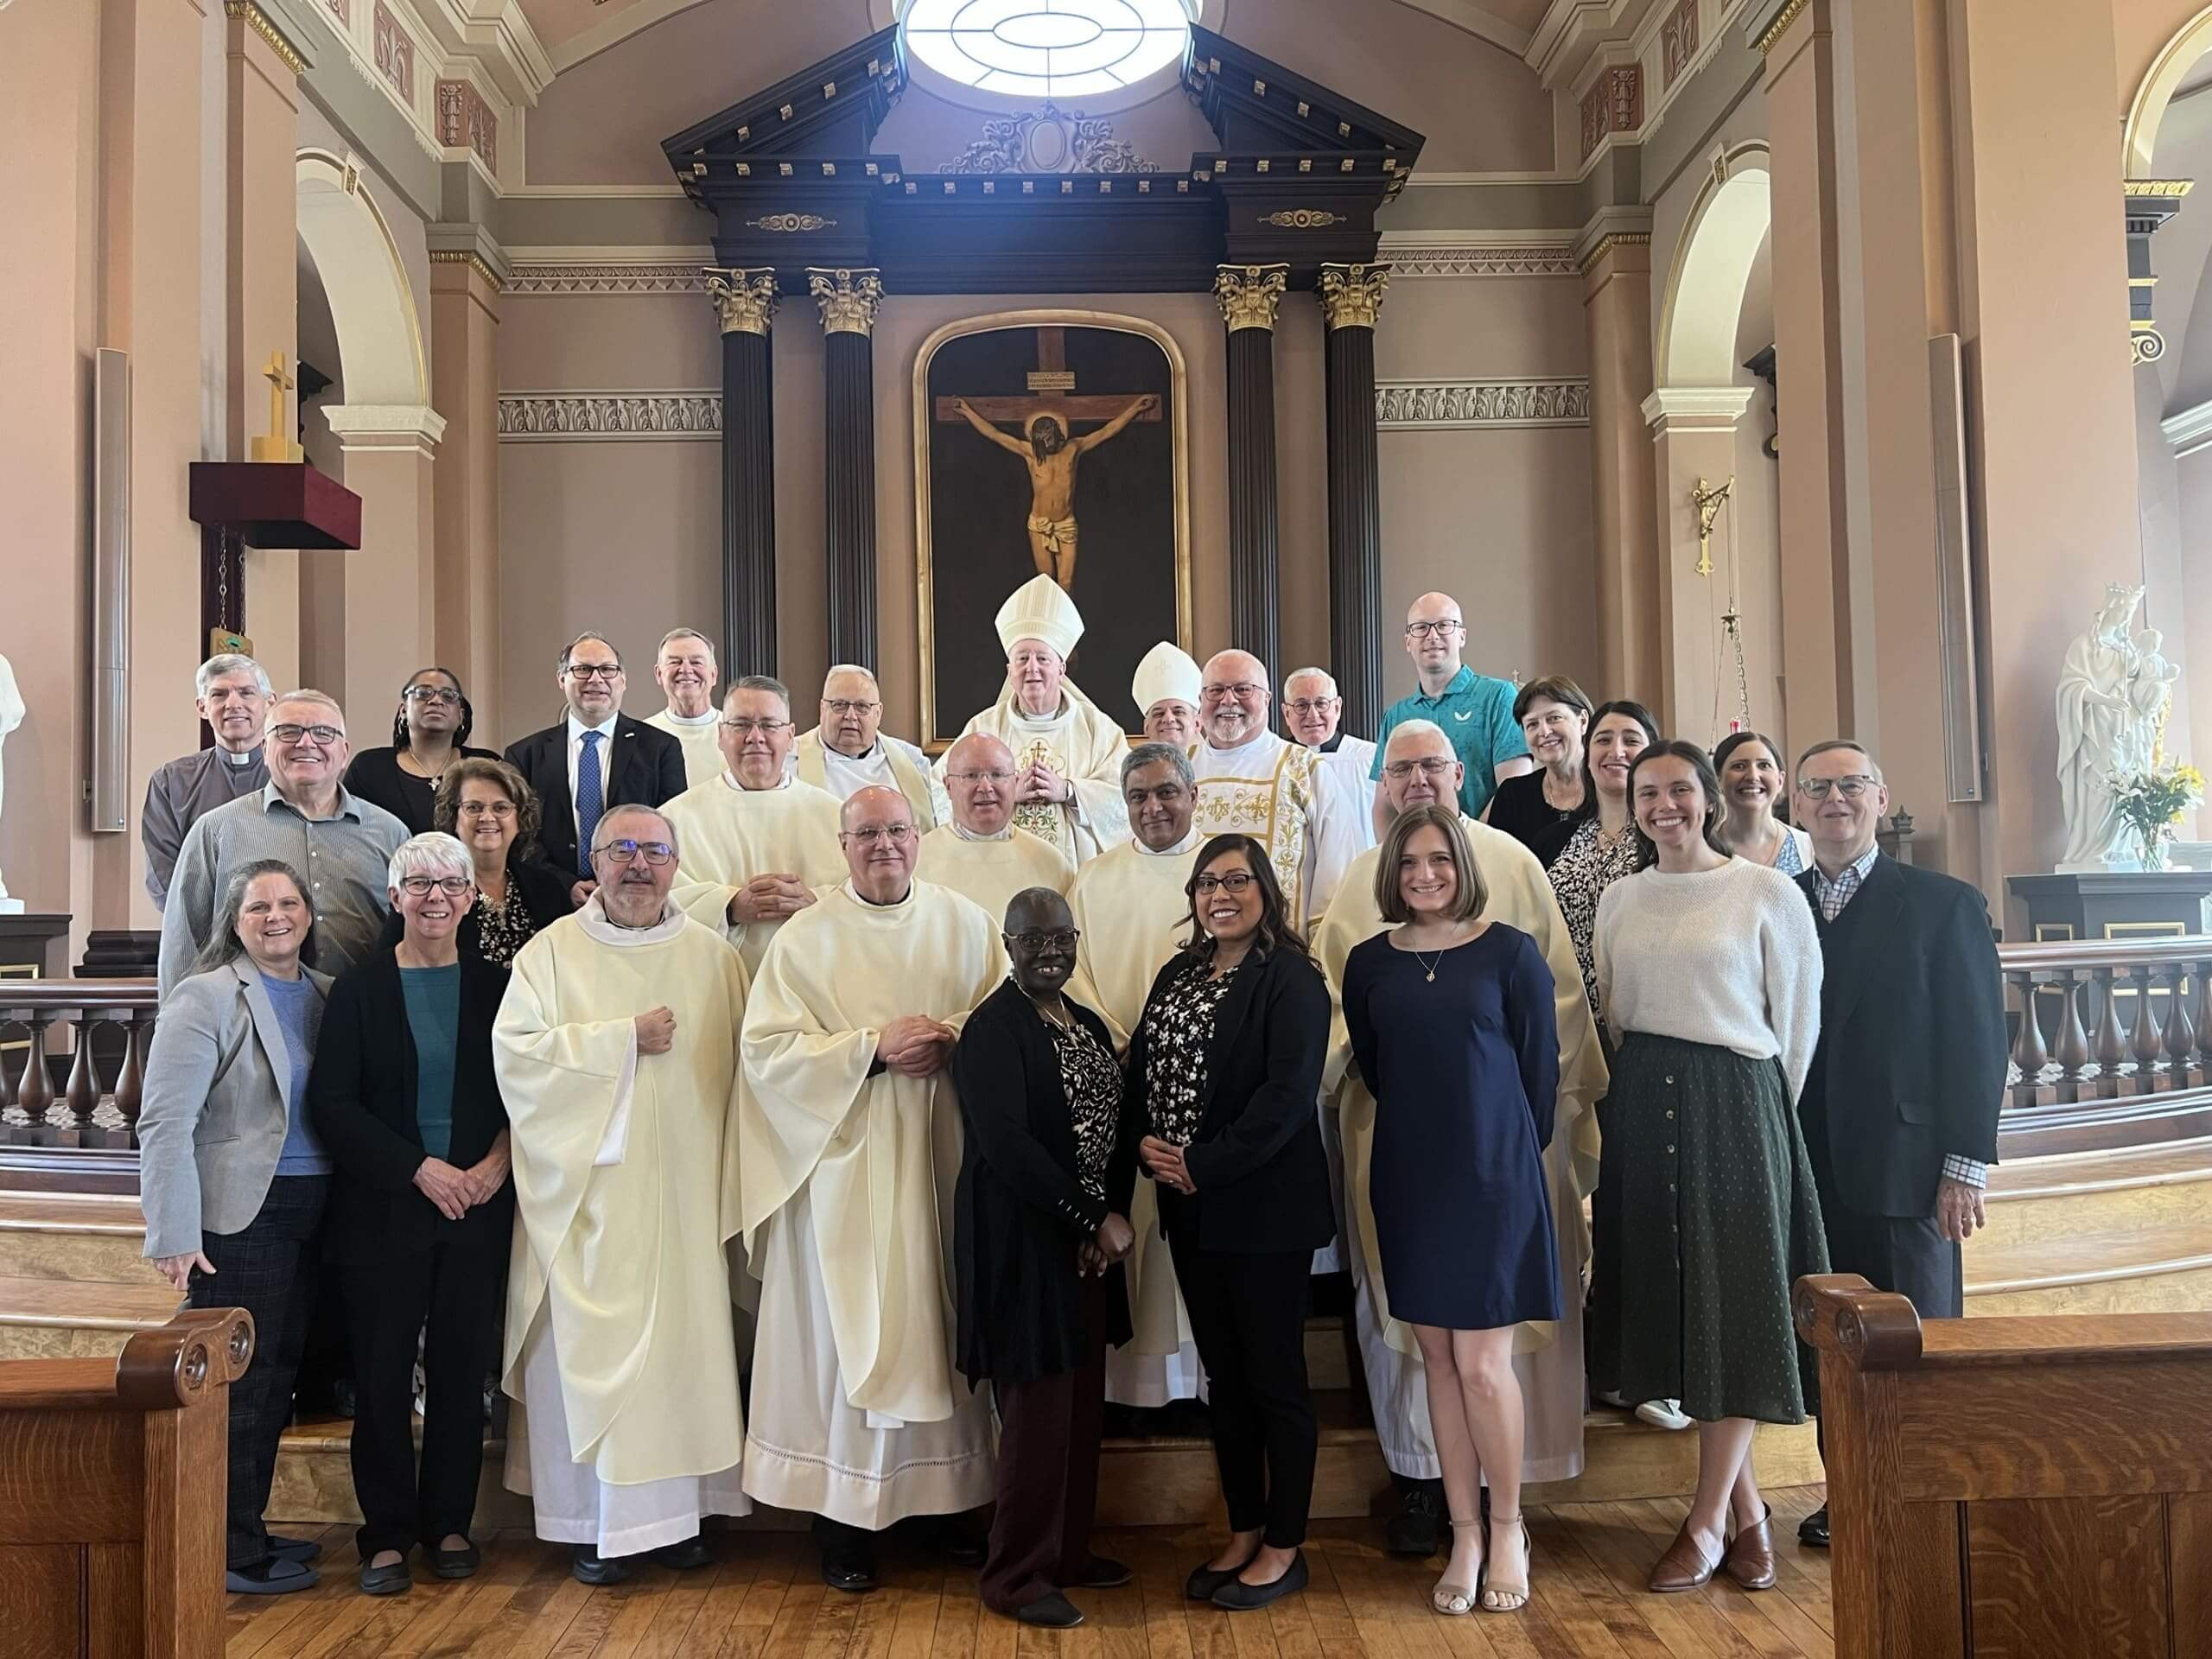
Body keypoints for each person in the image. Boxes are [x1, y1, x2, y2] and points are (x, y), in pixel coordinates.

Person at [1314, 721, 1603, 1555]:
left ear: (1458, 770)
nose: (1417, 781)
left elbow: (1555, 1008)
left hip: (1503, 1152)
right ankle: (1425, 1486)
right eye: (1399, 768)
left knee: (1488, 1351)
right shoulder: (1361, 885)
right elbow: (1348, 1019)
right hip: (1405, 1147)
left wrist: (1524, 1130)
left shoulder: (1512, 863)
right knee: (1425, 1345)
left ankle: (1514, 1504)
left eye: (1431, 765)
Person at [738, 787, 1008, 1592]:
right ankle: (843, 1520)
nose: (883, 844)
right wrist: (872, 1049)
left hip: (944, 1158)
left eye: (896, 830)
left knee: (943, 1313)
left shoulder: (966, 922)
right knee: (839, 1336)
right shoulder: (804, 938)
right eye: (866, 834)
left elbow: (1008, 1017)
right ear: (842, 845)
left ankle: (949, 1502)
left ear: (918, 840)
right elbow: (768, 1052)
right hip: (841, 1171)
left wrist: (953, 1036)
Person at [493, 804, 751, 1585]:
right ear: (593, 863)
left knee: (684, 1356)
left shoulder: (716, 957)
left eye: (655, 850)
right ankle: (593, 1524)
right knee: (591, 1356)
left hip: (687, 1198)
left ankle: (678, 1520)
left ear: (679, 862)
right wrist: (619, 1042)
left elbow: (749, 1078)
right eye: (621, 850)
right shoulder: (549, 954)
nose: (638, 865)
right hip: (587, 1204)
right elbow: (518, 1059)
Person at [1594, 741, 1826, 1593]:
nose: (1664, 806)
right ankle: (1749, 1511)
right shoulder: (1618, 898)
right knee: (1682, 1306)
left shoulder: (1763, 891)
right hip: (1644, 1094)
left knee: (1730, 1305)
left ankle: (1700, 1524)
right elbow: (1617, 1008)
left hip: (1737, 1104)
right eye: (1648, 793)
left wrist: (1756, 1118)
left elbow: (1794, 1025)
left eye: (1679, 790)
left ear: (1707, 797)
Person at [1341, 805, 1560, 1616]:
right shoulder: (1368, 963)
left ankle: (1509, 1526)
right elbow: (1374, 1063)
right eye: (1408, 864)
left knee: (1481, 1364)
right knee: (1434, 1360)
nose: (1424, 875)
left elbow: (1540, 1075)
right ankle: (1463, 1531)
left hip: (1495, 1180)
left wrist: (1501, 1156)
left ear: (1462, 864)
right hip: (1411, 1178)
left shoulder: (1510, 953)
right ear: (1391, 875)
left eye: (1438, 859)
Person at [1789, 740, 2006, 1550]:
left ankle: (1925, 1496)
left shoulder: (1943, 903)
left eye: (1852, 785)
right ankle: (1844, 1489)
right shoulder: (1782, 902)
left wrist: (1964, 1166)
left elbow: (1978, 1041)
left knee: (1918, 1338)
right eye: (1819, 788)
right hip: (1808, 1163)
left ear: (1881, 798)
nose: (1835, 799)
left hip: (1909, 1168)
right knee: (1832, 1342)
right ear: (1798, 807)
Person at [1126, 835, 1332, 1611]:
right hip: (1192, 1211)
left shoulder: (1292, 979)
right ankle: (1244, 1528)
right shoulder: (1180, 970)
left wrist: (1200, 1163)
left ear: (1265, 889)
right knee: (1226, 1381)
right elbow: (1147, 1062)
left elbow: (1285, 1101)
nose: (1221, 894)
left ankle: (1286, 1545)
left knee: (1276, 1381)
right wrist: (1149, 1139)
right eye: (1207, 882)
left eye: (1237, 880)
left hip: (1264, 1210)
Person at [311, 832, 513, 1596]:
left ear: (471, 898)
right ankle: (387, 1534)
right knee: (384, 1376)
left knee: (463, 1374)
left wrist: (496, 1164)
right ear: (394, 899)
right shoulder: (358, 990)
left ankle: (450, 1523)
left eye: (450, 883)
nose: (435, 896)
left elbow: (525, 1089)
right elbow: (332, 1103)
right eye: (418, 883)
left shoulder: (501, 987)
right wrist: (419, 1170)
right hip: (386, 1210)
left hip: (479, 1205)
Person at [137, 859, 332, 1595]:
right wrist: (175, 1232)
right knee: (236, 1386)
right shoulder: (206, 997)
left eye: (288, 903)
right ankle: (222, 1546)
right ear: (235, 920)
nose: (275, 916)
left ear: (308, 916)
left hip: (316, 1206)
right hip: (237, 1216)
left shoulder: (323, 994)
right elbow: (164, 1123)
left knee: (278, 1381)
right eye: (259, 907)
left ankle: (243, 1523)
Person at [951, 888, 1138, 1630]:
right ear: (1008, 943)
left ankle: (1065, 1552)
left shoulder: (1086, 1023)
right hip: (1023, 1243)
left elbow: (1116, 1129)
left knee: (1079, 1403)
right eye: (1034, 940)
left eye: (1062, 938)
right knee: (1034, 1412)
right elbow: (1007, 1149)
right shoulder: (991, 1031)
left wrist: (1101, 1226)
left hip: (1086, 1246)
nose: (1050, 951)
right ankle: (1016, 1575)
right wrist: (1091, 1216)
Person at [1543, 699, 1678, 1431]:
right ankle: (1611, 1360)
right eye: (1603, 739)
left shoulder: (1666, 840)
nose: (1614, 750)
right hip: (1579, 1036)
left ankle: (1664, 1367)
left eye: (1632, 738)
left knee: (1655, 1203)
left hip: (1643, 1041)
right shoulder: (1576, 839)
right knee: (1609, 1202)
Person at [1065, 746, 1207, 1414]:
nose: (1153, 808)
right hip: (1120, 1077)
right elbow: (1075, 973)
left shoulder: (1224, 874)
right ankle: (1136, 1390)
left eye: (1167, 793)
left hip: (1205, 1093)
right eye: (1138, 797)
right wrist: (1119, 1041)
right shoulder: (1093, 880)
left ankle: (1199, 1385)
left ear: (1193, 794)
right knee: (1134, 1225)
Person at [158, 691, 409, 995]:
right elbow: (183, 943)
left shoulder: (390, 833)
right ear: (264, 748)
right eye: (288, 732)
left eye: (323, 732)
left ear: (344, 752)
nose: (306, 743)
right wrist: (179, 1022)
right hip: (250, 1023)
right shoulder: (216, 831)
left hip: (364, 1018)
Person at [937, 575, 1130, 867]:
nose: (1032, 669)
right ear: (1009, 669)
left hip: (1075, 871)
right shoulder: (983, 730)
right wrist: (1005, 792)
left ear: (1061, 668)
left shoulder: (1097, 729)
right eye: (1022, 659)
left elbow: (1125, 793)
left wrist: (1068, 790)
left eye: (1043, 658)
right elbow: (942, 791)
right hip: (997, 867)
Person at [663, 676, 848, 975]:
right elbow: (659, 900)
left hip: (809, 979)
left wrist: (814, 901)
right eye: (741, 725)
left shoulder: (836, 816)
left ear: (790, 737)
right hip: (713, 981)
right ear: (721, 735)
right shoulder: (674, 819)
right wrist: (728, 907)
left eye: (769, 725)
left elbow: (863, 893)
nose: (755, 736)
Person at [501, 632, 689, 900]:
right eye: (583, 669)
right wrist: (564, 884)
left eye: (607, 670)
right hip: (551, 904)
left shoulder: (660, 748)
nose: (596, 679)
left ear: (623, 681)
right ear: (561, 679)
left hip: (637, 898)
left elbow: (671, 832)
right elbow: (518, 836)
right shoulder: (524, 755)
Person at [1188, 651, 1358, 929]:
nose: (1228, 700)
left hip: (1281, 958)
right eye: (1216, 690)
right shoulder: (1180, 771)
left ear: (1267, 699)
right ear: (1201, 700)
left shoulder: (1304, 770)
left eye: (1243, 689)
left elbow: (1338, 875)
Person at [951, 395, 1155, 588]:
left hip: (1065, 524)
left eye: (1051, 443)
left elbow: (1107, 431)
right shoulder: (1030, 452)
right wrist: (968, 411)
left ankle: (1068, 623)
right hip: (1039, 524)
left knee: (1066, 582)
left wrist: (1136, 407)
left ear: (1059, 435)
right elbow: (995, 434)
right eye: (1043, 445)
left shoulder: (1074, 448)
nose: (1048, 448)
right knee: (1046, 580)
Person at [1370, 593, 1531, 820]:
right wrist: (1394, 854)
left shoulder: (1498, 697)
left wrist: (1467, 844)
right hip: (1414, 853)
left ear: (1462, 636)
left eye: (1444, 625)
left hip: (1483, 849)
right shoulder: (1396, 715)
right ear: (1408, 641)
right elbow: (1383, 807)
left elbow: (1514, 789)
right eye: (1421, 627)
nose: (1432, 635)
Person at [404, 757, 574, 966]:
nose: (487, 817)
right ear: (454, 818)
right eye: (473, 808)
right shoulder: (425, 890)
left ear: (519, 819)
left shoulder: (549, 888)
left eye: (500, 808)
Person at [143, 652, 271, 910]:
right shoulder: (171, 782)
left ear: (269, 702)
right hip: (200, 938)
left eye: (246, 693)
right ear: (202, 707)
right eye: (219, 695)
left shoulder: (293, 776)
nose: (233, 704)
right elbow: (163, 876)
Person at [918, 732, 1075, 921]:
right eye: (971, 775)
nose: (985, 787)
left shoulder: (1051, 863)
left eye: (997, 775)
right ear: (948, 786)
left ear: (1015, 783)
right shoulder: (918, 860)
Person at [341, 668, 499, 834]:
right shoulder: (369, 768)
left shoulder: (487, 765)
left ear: (461, 716)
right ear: (403, 710)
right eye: (423, 693)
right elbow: (350, 834)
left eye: (448, 696)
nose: (436, 700)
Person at [793, 664, 941, 830]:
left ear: (878, 713)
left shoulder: (912, 761)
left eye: (862, 707)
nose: (850, 716)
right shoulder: (790, 760)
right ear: (822, 709)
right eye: (840, 705)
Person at [1484, 676, 1595, 868]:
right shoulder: (1513, 795)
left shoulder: (1609, 788)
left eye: (1554, 718)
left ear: (1583, 721)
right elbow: (1497, 870)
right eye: (1532, 724)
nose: (1544, 732)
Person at [1283, 666, 1378, 844]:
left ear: (1337, 708)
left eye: (1321, 703)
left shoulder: (1370, 758)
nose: (1312, 715)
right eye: (1301, 705)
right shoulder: (1276, 761)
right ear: (1287, 713)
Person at [1713, 730, 1813, 874]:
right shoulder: (1703, 849)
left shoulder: (1809, 848)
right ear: (1718, 781)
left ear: (1780, 780)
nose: (1753, 776)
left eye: (1764, 765)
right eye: (1739, 766)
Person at [644, 627, 727, 788]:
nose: (686, 670)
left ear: (714, 674)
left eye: (696, 662)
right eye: (675, 662)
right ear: (659, 674)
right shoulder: (643, 736)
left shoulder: (737, 733)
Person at [1134, 640, 1202, 749]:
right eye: (1158, 713)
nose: (1168, 718)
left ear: (1197, 723)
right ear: (1146, 727)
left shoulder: (1215, 765)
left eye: (1178, 712)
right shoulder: (1133, 766)